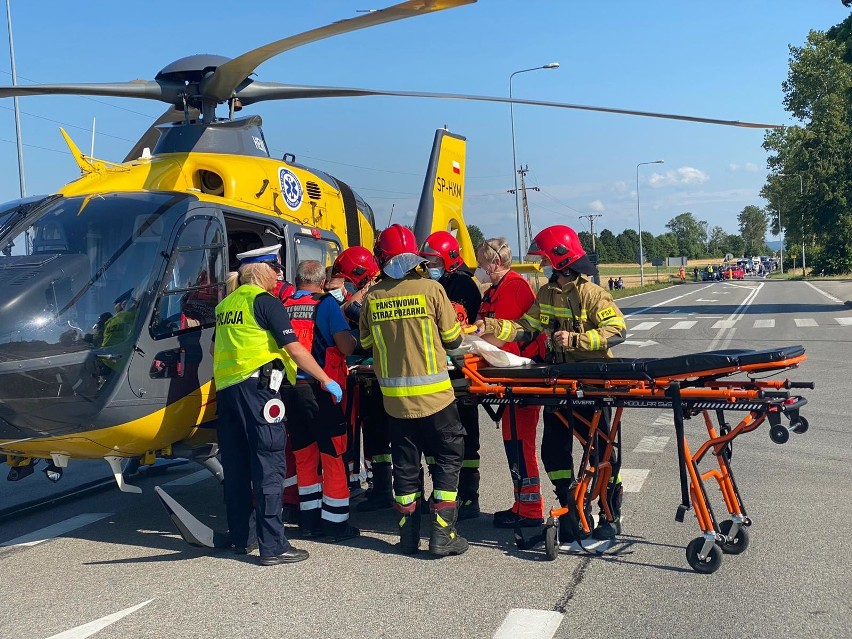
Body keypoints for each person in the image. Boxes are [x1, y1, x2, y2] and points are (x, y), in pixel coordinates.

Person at [475, 225, 628, 548]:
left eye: (546, 259)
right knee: (553, 451)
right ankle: (572, 510)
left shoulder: (591, 293)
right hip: (559, 382)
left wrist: (577, 339)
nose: (543, 266)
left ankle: (609, 513)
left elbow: (617, 330)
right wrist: (488, 326)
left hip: (592, 381)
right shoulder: (546, 293)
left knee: (602, 451)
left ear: (561, 258)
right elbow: (525, 327)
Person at [213, 244, 343, 566]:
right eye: (276, 267)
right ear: (262, 270)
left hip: (228, 393)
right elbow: (296, 348)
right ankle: (274, 546)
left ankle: (243, 538)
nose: (280, 274)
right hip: (259, 392)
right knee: (269, 464)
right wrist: (325, 379)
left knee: (238, 466)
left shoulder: (226, 304)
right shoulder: (266, 302)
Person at [359, 224, 468, 556]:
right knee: (448, 460)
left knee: (405, 467)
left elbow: (365, 344)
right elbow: (454, 341)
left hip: (394, 403)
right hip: (436, 398)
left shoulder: (373, 296)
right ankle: (442, 536)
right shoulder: (432, 290)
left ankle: (407, 538)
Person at [282, 260, 359, 542]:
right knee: (333, 455)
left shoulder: (284, 303)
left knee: (303, 456)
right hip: (321, 390)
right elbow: (345, 345)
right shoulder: (325, 305)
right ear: (323, 281)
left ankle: (309, 520)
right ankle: (336, 524)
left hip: (291, 390)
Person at [474, 238, 545, 528]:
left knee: (520, 442)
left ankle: (530, 510)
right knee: (513, 440)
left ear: (496, 263)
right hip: (509, 374)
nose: (479, 268)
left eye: (482, 263)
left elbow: (502, 334)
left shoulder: (514, 288)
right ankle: (522, 504)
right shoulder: (496, 290)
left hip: (522, 374)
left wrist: (476, 338)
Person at [419, 230, 483, 520]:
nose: (430, 266)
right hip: (434, 373)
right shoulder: (425, 285)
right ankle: (441, 492)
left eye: (434, 261)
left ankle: (470, 495)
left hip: (462, 371)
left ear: (449, 260)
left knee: (466, 437)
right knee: (434, 438)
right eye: (427, 260)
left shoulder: (465, 286)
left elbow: (466, 328)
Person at [331, 246, 393, 512]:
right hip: (373, 371)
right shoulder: (374, 284)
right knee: (376, 433)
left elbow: (353, 310)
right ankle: (381, 488)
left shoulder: (378, 287)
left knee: (386, 433)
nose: (347, 283)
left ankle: (386, 489)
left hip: (383, 371)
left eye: (349, 278)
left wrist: (351, 301)